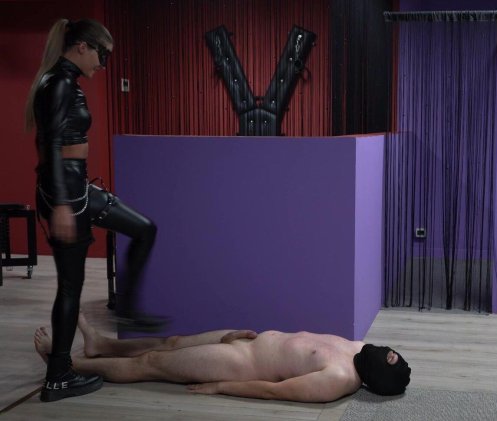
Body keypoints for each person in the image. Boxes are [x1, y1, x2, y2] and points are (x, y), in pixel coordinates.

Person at [25, 18, 166, 402]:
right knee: (70, 287)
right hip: (66, 195)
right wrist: (61, 205)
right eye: (102, 54)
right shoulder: (57, 83)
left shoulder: (66, 82)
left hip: (78, 189)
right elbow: (50, 146)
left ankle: (128, 308)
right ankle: (58, 377)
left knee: (145, 228)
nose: (103, 64)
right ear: (82, 47)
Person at [33, 314, 412, 403]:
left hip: (238, 364)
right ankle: (100, 344)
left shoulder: (339, 379)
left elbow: (275, 390)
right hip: (247, 339)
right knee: (171, 342)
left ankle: (65, 363)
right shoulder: (359, 346)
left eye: (390, 359)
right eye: (393, 352)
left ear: (377, 377)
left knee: (151, 364)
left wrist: (221, 387)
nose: (387, 351)